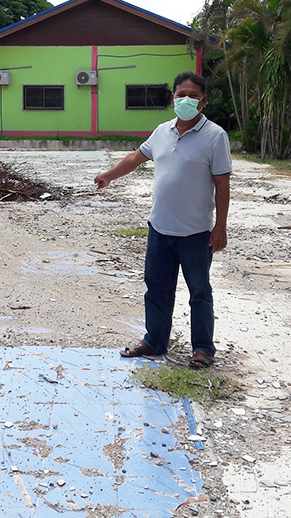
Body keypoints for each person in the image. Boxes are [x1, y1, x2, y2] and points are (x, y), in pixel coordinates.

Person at [95, 72, 232, 369]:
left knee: (199, 292)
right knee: (156, 289)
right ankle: (154, 341)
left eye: (193, 96)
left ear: (203, 101)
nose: (186, 100)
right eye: (181, 94)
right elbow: (135, 158)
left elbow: (222, 183)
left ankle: (203, 349)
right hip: (160, 229)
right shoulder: (161, 132)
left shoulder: (215, 136)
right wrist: (109, 175)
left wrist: (220, 226)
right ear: (172, 99)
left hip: (196, 233)